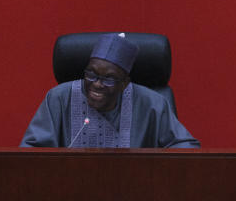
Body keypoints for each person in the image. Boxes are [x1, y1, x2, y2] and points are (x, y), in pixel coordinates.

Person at [21, 33, 200, 148]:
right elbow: (32, 153)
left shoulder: (152, 103)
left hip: (134, 196)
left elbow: (186, 150)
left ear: (125, 83)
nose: (97, 84)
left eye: (109, 78)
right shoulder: (58, 99)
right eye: (91, 74)